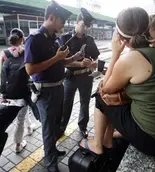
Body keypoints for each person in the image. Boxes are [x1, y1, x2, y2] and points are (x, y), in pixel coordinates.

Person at [79, 7, 155, 156]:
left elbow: (105, 88)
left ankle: (98, 145)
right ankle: (110, 137)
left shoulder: (131, 59)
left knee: (101, 97)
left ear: (122, 38)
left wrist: (116, 53)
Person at [24, 1, 82, 171]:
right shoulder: (34, 39)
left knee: (56, 124)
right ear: (51, 17)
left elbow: (61, 61)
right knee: (48, 129)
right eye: (62, 21)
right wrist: (57, 58)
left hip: (58, 87)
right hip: (46, 91)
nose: (63, 25)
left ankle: (53, 151)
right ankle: (50, 163)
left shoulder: (53, 39)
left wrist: (75, 57)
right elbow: (30, 69)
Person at [59, 8, 100, 138]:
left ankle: (82, 127)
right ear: (77, 21)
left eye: (87, 26)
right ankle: (61, 128)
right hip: (70, 77)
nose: (85, 29)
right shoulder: (65, 39)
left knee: (84, 103)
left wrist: (94, 64)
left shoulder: (90, 40)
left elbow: (96, 57)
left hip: (86, 77)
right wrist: (79, 64)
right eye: (83, 25)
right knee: (66, 103)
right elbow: (61, 61)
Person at [0, 28, 37, 153]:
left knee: (21, 112)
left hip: (9, 92)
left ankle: (29, 127)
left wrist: (3, 93)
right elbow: (30, 72)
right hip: (22, 92)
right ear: (21, 39)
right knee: (20, 117)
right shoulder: (26, 52)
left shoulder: (4, 53)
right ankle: (18, 145)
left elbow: (2, 74)